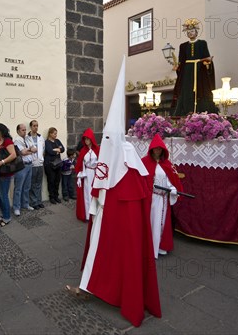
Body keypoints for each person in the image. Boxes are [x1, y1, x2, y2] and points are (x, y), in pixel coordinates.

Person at [66, 59, 161, 327]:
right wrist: (97, 202)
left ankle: (110, 292)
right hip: (103, 218)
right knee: (98, 253)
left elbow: (129, 199)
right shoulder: (112, 155)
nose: (103, 142)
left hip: (115, 222)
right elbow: (103, 180)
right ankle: (89, 286)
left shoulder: (130, 167)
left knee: (121, 257)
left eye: (108, 138)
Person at [141, 134, 184, 258]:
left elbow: (171, 180)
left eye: (160, 149)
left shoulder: (167, 164)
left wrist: (173, 189)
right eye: (156, 148)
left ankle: (160, 246)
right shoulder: (145, 162)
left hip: (164, 198)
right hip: (152, 198)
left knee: (162, 223)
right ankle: (150, 248)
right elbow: (142, 179)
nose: (158, 151)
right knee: (151, 221)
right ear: (152, 149)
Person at [172, 18, 218, 116]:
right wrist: (178, 67)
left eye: (192, 31)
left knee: (200, 90)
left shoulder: (202, 43)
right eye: (188, 32)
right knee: (186, 90)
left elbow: (206, 57)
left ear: (196, 32)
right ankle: (186, 111)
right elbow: (181, 61)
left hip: (199, 70)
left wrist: (207, 63)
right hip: (187, 72)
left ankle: (201, 112)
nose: (190, 33)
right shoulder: (183, 46)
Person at [0, 123, 18, 225]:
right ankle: (4, 214)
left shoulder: (8, 141)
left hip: (5, 173)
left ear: (0, 131)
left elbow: (13, 155)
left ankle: (7, 217)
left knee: (3, 195)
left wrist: (2, 162)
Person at [75, 129, 99, 222]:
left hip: (95, 173)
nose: (86, 141)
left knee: (95, 192)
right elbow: (80, 164)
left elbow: (101, 162)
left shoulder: (97, 149)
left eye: (88, 139)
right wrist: (80, 174)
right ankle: (88, 214)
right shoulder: (83, 151)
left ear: (91, 139)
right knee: (87, 193)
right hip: (87, 174)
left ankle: (96, 213)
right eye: (85, 139)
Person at [12, 123, 35, 216]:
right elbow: (22, 152)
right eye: (23, 130)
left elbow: (35, 149)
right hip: (21, 166)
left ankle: (25, 204)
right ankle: (16, 207)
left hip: (29, 165)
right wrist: (30, 150)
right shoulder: (17, 140)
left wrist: (28, 150)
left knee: (27, 187)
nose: (25, 131)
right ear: (18, 131)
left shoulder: (27, 138)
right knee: (18, 188)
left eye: (25, 130)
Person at [27, 120, 45, 209]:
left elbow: (43, 148)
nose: (36, 127)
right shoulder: (27, 137)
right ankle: (33, 202)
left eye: (37, 125)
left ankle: (39, 201)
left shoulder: (40, 137)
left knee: (39, 183)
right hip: (32, 163)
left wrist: (41, 158)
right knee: (32, 184)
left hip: (40, 163)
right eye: (34, 125)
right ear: (30, 127)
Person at [44, 127, 65, 204]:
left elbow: (63, 149)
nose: (56, 135)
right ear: (50, 134)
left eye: (56, 133)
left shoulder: (57, 141)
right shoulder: (47, 142)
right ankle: (51, 197)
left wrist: (57, 150)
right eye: (54, 133)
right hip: (49, 165)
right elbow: (50, 151)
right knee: (51, 181)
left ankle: (56, 196)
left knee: (57, 181)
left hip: (57, 164)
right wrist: (57, 150)